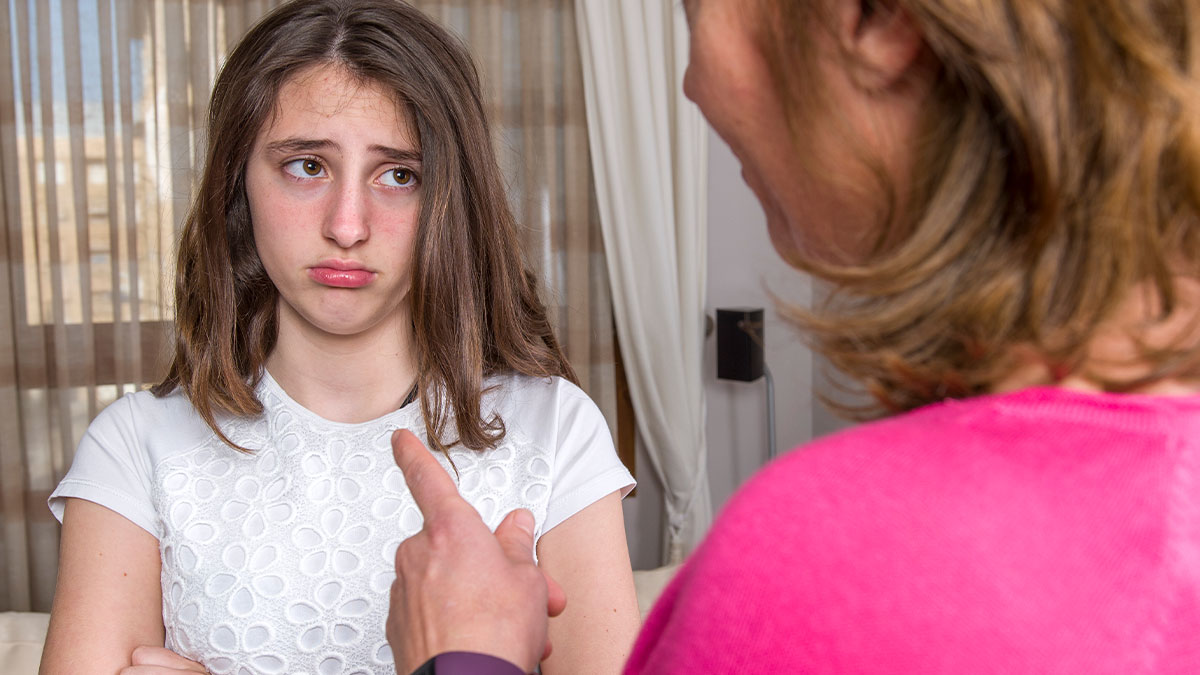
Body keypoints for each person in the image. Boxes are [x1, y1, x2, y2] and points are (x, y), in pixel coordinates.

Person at [386, 0, 1200, 672]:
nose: (693, 84)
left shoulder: (837, 557)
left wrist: (466, 656)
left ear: (875, 19)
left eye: (694, 10)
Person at [37, 1, 641, 673]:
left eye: (399, 175)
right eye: (307, 166)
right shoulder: (134, 447)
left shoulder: (556, 430)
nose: (347, 225)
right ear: (239, 184)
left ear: (449, 199)